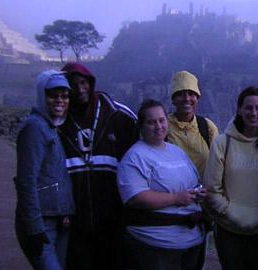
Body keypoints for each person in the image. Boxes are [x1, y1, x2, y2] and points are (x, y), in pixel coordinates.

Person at [59, 62, 138, 270]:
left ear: (91, 82)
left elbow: (143, 153)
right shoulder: (58, 122)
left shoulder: (118, 115)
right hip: (75, 218)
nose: (80, 89)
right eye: (73, 85)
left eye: (83, 82)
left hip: (114, 217)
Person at [117, 99, 206, 270]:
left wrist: (199, 193)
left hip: (191, 240)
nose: (158, 126)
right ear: (141, 126)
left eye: (161, 120)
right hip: (156, 245)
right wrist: (176, 198)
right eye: (151, 122)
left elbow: (194, 182)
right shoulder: (135, 157)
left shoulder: (177, 152)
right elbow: (135, 197)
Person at [203, 87, 258, 270]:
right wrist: (230, 213)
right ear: (239, 109)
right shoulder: (222, 143)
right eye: (248, 108)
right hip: (229, 231)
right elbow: (212, 188)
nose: (254, 113)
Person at [14, 70, 75, 270]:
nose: (60, 101)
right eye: (53, 95)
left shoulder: (50, 128)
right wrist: (34, 228)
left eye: (64, 96)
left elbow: (55, 176)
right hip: (42, 223)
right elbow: (26, 181)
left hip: (57, 220)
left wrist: (66, 211)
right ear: (42, 95)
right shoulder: (34, 129)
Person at [166, 70, 219, 177]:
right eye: (180, 94)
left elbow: (218, 164)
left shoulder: (208, 127)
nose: (186, 99)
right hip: (173, 193)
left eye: (191, 94)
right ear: (173, 99)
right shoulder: (163, 126)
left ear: (197, 98)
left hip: (204, 192)